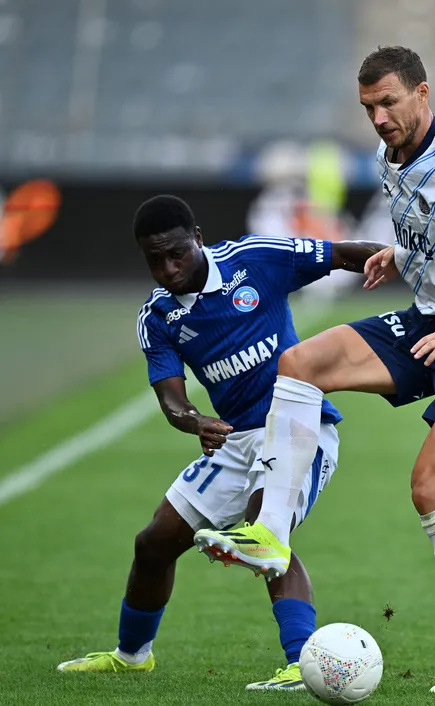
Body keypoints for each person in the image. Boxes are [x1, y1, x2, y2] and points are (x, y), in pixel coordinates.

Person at [194, 46, 435, 694]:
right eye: (369, 108)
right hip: (433, 311)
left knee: (432, 490)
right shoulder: (394, 155)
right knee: (299, 364)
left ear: (422, 93)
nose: (379, 118)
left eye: (389, 102)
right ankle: (270, 534)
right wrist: (401, 253)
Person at [57, 195, 385, 692]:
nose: (167, 269)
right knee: (153, 544)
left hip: (298, 426)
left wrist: (409, 264)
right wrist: (194, 422)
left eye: (176, 254)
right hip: (233, 441)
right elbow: (171, 398)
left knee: (264, 532)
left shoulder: (254, 259)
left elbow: (340, 253)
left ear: (199, 238)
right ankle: (132, 656)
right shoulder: (158, 317)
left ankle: (302, 662)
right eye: (154, 260)